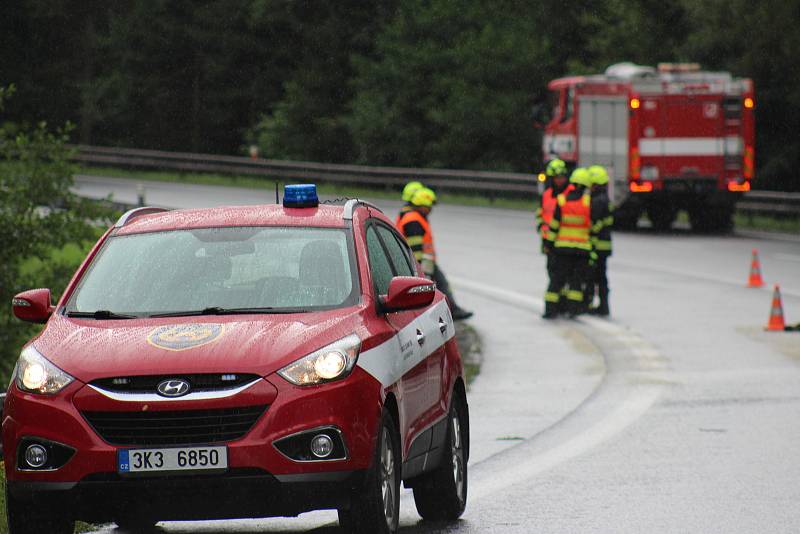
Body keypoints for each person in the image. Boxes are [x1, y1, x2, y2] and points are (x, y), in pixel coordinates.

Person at [397, 187, 473, 320]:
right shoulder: (413, 220)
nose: (431, 209)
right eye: (429, 206)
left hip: (426, 262)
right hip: (422, 263)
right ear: (421, 205)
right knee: (440, 285)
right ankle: (450, 311)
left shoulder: (414, 217)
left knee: (441, 284)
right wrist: (422, 271)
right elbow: (416, 249)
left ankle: (451, 310)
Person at [542, 168, 596, 319]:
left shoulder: (562, 201)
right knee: (576, 283)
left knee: (557, 280)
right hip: (582, 250)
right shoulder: (588, 202)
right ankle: (573, 310)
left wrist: (548, 244)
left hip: (562, 249)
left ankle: (550, 310)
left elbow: (554, 226)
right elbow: (591, 228)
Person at [536, 159, 571, 313]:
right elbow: (541, 214)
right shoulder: (547, 195)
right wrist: (540, 228)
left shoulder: (571, 194)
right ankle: (558, 304)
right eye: (556, 177)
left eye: (562, 176)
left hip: (564, 241)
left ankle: (558, 306)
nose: (559, 180)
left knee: (562, 275)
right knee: (552, 272)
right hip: (548, 242)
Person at [587, 165, 613, 316]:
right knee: (602, 277)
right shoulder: (605, 199)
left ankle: (592, 305)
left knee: (593, 277)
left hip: (597, 245)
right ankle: (604, 306)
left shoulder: (597, 201)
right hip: (605, 245)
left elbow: (595, 224)